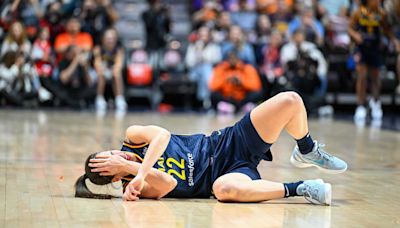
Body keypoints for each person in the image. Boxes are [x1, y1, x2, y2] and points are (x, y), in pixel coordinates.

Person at [75, 91, 347, 204]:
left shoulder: (132, 136)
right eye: (111, 162)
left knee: (290, 100)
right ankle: (300, 188)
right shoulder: (134, 188)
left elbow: (163, 136)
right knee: (224, 191)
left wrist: (138, 168)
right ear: (113, 176)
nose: (116, 154)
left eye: (109, 152)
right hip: (225, 175)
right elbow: (168, 183)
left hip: (228, 141)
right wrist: (133, 171)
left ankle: (306, 148)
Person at [348, 0, 399, 122]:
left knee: (376, 77)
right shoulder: (358, 13)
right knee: (362, 76)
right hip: (362, 48)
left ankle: (375, 102)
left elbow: (387, 30)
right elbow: (350, 28)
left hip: (375, 47)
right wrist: (355, 35)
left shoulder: (382, 13)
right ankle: (360, 105)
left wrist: (394, 41)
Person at [185, 26, 222, 109]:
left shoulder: (214, 47)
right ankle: (206, 101)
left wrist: (204, 58)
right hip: (194, 73)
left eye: (205, 35)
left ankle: (202, 100)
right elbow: (188, 63)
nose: (203, 37)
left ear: (209, 36)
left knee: (205, 69)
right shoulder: (192, 47)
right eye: (201, 35)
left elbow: (217, 60)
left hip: (209, 72)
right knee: (204, 71)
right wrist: (198, 52)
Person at [93, 28, 127, 112]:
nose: (110, 41)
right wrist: (103, 70)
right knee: (100, 74)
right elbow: (97, 64)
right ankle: (99, 98)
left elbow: (119, 64)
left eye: (112, 38)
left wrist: (113, 71)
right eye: (108, 38)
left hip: (113, 71)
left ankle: (119, 99)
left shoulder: (119, 50)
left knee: (117, 73)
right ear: (103, 39)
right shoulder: (98, 49)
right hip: (99, 71)